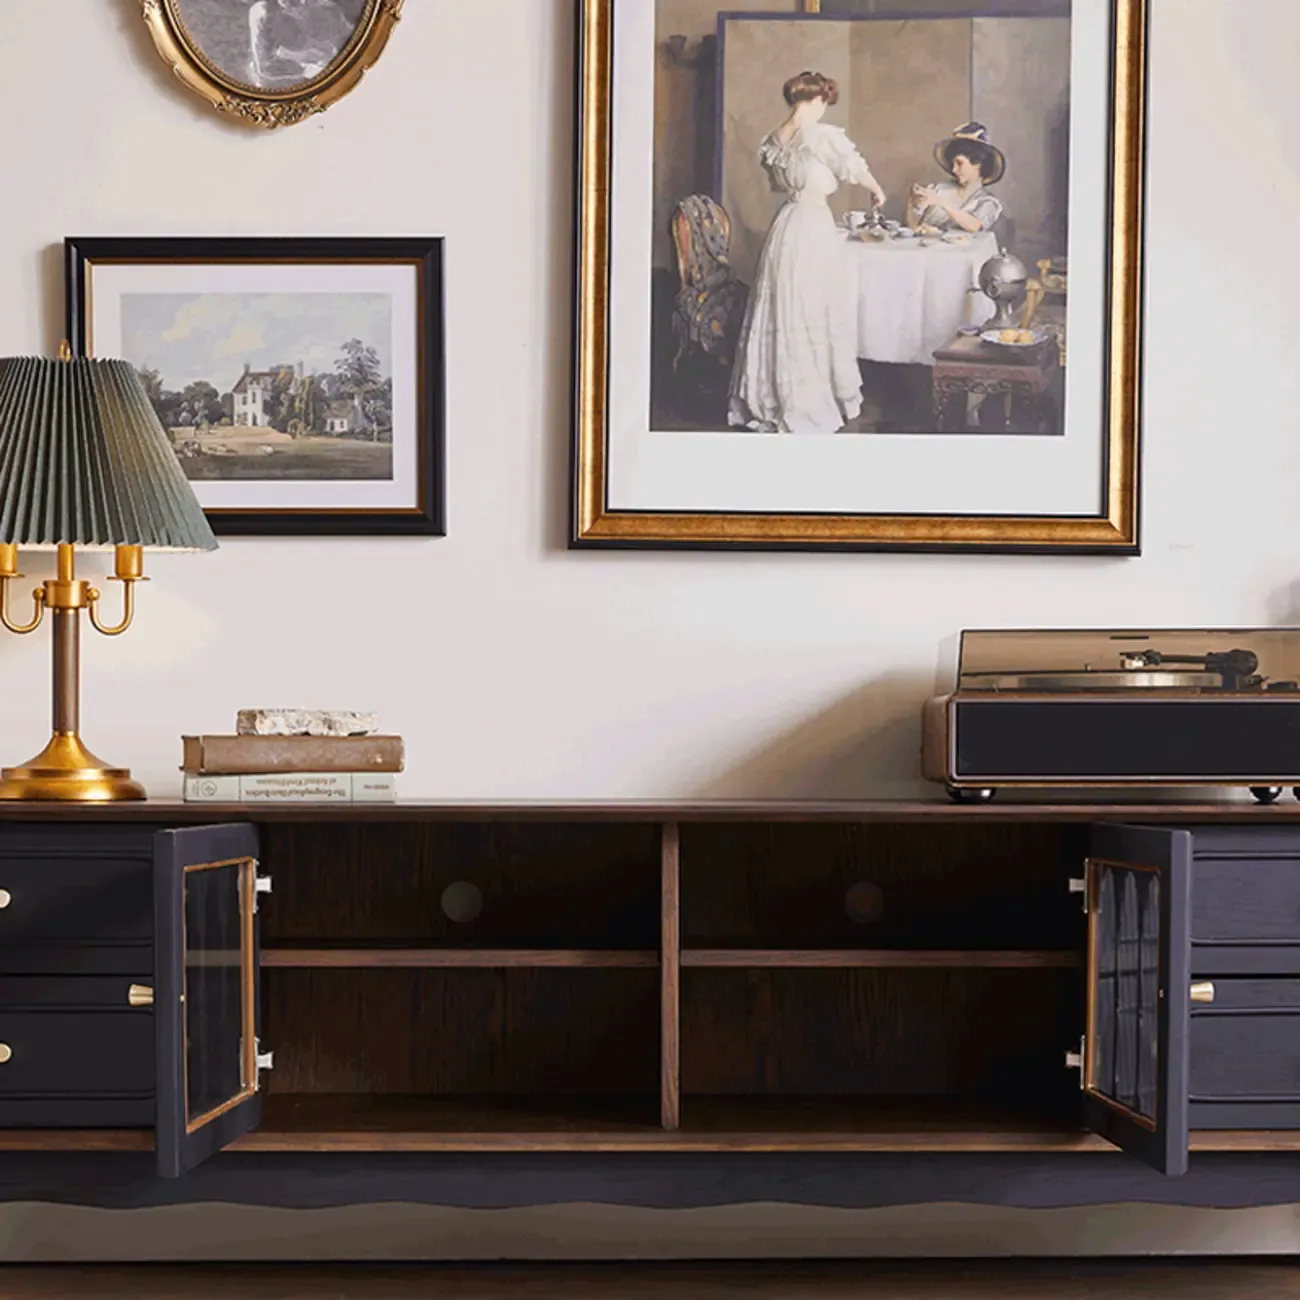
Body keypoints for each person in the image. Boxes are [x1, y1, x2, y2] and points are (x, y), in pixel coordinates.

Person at [728, 71, 885, 435]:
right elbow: (853, 167)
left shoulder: (773, 140)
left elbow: (776, 183)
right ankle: (805, 399)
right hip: (811, 225)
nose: (824, 109)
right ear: (815, 101)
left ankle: (773, 394)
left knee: (785, 305)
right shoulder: (819, 136)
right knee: (811, 305)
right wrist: (876, 190)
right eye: (823, 102)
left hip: (786, 226)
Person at [907, 123, 1005, 234]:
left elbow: (974, 226)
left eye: (959, 163)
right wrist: (913, 204)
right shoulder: (938, 189)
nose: (954, 169)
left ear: (978, 163)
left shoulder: (987, 202)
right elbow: (913, 226)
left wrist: (940, 202)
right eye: (952, 164)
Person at [249, 0, 352, 87]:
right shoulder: (264, 13)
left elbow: (348, 41)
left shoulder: (326, 8)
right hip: (281, 85)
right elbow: (265, 67)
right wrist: (308, 69)